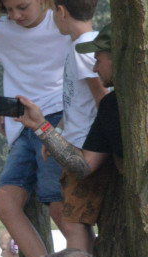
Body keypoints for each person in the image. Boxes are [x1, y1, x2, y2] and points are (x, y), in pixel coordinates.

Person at [0, 0, 70, 257]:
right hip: (21, 125)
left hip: (54, 118)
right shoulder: (2, 32)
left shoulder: (60, 24)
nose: (16, 15)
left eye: (23, 7)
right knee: (4, 204)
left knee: (57, 203)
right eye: (10, 10)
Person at [17, 24, 122, 220]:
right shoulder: (111, 106)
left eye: (98, 60)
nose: (94, 68)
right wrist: (43, 128)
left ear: (116, 57)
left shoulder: (113, 105)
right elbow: (83, 166)